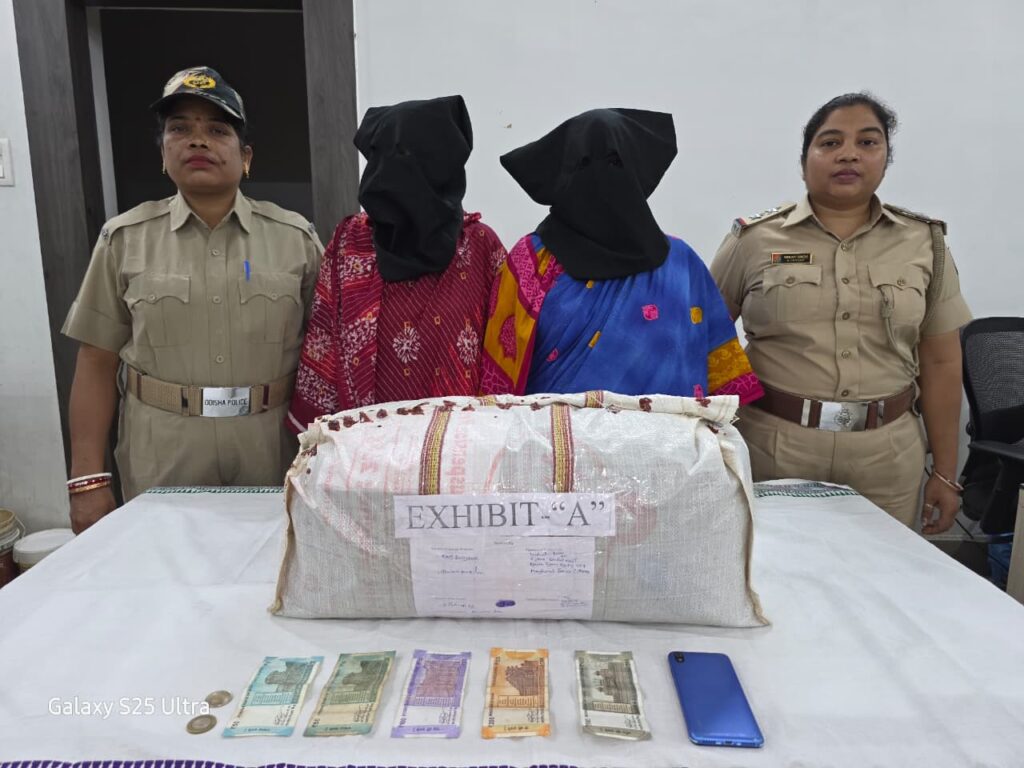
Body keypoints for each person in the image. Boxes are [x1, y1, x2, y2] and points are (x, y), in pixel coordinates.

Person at [62, 66, 323, 532]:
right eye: (179, 129)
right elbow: (96, 361)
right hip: (162, 448)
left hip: (271, 445)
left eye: (217, 130)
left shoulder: (295, 239)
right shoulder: (124, 240)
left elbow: (327, 357)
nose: (198, 140)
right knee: (164, 565)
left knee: (273, 565)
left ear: (246, 156)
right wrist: (86, 480)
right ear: (163, 154)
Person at [710, 92, 972, 534]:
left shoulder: (925, 243)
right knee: (775, 569)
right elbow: (704, 341)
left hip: (887, 457)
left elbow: (942, 361)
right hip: (774, 447)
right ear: (804, 161)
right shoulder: (753, 240)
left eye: (867, 142)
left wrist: (945, 473)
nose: (849, 154)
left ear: (886, 159)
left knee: (882, 569)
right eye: (831, 142)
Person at [480, 108, 762, 403]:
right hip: (553, 432)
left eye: (615, 161)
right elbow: (497, 383)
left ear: (635, 170)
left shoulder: (682, 264)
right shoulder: (531, 261)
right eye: (584, 162)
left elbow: (724, 384)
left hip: (668, 434)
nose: (600, 175)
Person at [287, 96, 507, 430]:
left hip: (459, 445)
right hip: (366, 445)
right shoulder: (350, 243)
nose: (386, 172)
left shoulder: (479, 247)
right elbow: (324, 340)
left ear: (440, 164)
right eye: (380, 156)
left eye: (405, 155)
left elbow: (503, 355)